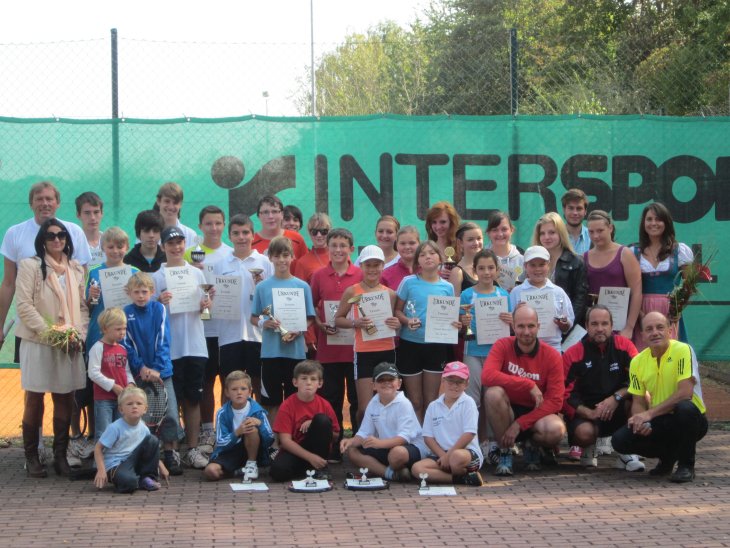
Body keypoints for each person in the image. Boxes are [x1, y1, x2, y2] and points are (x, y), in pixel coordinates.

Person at [15, 219, 89, 477]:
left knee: (65, 397)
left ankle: (60, 457)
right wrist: (52, 333)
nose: (57, 239)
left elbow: (82, 307)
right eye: (51, 236)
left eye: (61, 235)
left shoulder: (76, 268)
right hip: (38, 341)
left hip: (69, 344)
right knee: (34, 397)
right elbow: (24, 306)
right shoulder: (30, 266)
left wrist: (79, 334)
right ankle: (32, 457)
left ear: (67, 239)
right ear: (42, 240)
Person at [611, 311, 708, 483]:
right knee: (620, 440)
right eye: (649, 329)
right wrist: (640, 421)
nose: (655, 332)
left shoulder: (683, 350)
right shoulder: (637, 362)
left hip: (691, 418)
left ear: (670, 331)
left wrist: (648, 414)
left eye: (660, 327)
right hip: (660, 418)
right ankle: (668, 458)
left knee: (685, 408)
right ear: (643, 336)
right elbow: (638, 401)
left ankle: (686, 466)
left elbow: (685, 393)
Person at [0, 181, 91, 353]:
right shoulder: (14, 233)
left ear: (58, 203)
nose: (45, 203)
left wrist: (82, 330)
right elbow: (8, 283)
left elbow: (82, 281)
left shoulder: (74, 232)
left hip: (69, 331)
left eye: (49, 199)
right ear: (31, 203)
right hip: (30, 330)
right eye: (39, 199)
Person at [152, 226, 211, 470]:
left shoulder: (196, 273)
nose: (176, 247)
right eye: (170, 243)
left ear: (185, 245)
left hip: (195, 346)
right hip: (169, 349)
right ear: (162, 246)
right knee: (171, 402)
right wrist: (159, 302)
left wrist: (206, 306)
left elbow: (206, 314)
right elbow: (149, 314)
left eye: (179, 243)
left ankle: (192, 449)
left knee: (193, 399)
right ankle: (172, 451)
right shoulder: (156, 277)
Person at [482, 306, 566, 476]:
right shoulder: (502, 345)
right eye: (521, 326)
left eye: (531, 326)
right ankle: (505, 451)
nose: (526, 332)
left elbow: (556, 401)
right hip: (508, 411)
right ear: (513, 327)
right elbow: (487, 376)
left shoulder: (552, 355)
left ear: (538, 326)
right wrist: (527, 384)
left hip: (537, 413)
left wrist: (520, 424)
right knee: (493, 394)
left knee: (556, 430)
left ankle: (532, 445)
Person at [562, 305, 644, 471]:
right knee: (584, 433)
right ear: (587, 326)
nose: (600, 328)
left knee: (643, 397)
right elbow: (564, 394)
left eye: (604, 323)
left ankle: (627, 451)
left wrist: (616, 397)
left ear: (612, 326)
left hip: (618, 409)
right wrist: (588, 412)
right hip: (588, 413)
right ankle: (588, 447)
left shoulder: (625, 346)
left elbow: (639, 380)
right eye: (594, 324)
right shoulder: (573, 353)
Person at [211, 214, 273, 427]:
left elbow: (272, 298)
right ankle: (227, 430)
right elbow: (213, 298)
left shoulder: (265, 262)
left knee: (258, 384)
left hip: (258, 335)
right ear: (229, 236)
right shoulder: (220, 264)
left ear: (253, 235)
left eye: (245, 232)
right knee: (229, 385)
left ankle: (262, 429)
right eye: (236, 233)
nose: (241, 237)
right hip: (229, 335)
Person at [122, 272, 183, 476]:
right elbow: (127, 345)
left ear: (152, 292)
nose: (141, 296)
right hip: (140, 375)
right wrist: (141, 367)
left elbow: (163, 339)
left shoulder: (159, 309)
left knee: (170, 415)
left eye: (144, 292)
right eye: (136, 292)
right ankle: (149, 458)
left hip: (162, 373)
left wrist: (157, 368)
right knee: (145, 417)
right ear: (129, 293)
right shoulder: (126, 313)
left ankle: (171, 453)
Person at [182, 206, 232, 452]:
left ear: (224, 225)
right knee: (206, 382)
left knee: (228, 381)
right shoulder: (189, 254)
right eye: (209, 223)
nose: (214, 228)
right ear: (200, 226)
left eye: (218, 223)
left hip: (227, 330)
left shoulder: (231, 254)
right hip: (201, 331)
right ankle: (207, 431)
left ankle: (226, 428)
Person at [310, 228, 362, 461]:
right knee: (331, 399)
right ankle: (332, 446)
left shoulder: (360, 274)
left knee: (357, 400)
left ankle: (357, 447)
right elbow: (311, 307)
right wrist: (319, 324)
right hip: (328, 350)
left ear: (351, 249)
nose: (338, 250)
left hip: (355, 349)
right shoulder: (319, 275)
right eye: (334, 246)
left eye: (343, 245)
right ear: (328, 248)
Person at [251, 236, 315, 425]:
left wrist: (299, 329)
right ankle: (275, 439)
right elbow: (253, 317)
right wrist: (264, 323)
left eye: (285, 255)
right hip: (270, 353)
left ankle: (293, 437)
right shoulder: (262, 287)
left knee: (295, 399)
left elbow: (310, 317)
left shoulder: (302, 286)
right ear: (270, 257)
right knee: (272, 401)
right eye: (277, 256)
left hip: (295, 353)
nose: (281, 260)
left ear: (292, 257)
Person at [395, 241, 462, 420]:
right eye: (423, 254)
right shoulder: (408, 282)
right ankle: (416, 435)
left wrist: (455, 325)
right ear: (418, 260)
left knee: (431, 400)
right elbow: (397, 311)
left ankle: (428, 435)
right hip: (410, 346)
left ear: (440, 258)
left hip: (436, 347)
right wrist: (407, 321)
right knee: (415, 401)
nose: (428, 257)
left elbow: (451, 317)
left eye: (432, 253)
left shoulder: (447, 287)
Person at [334, 245, 398, 425]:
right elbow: (338, 319)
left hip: (387, 350)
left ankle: (384, 438)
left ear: (383, 266)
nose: (372, 269)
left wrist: (397, 324)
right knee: (365, 407)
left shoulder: (390, 294)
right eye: (368, 265)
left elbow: (395, 321)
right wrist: (355, 323)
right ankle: (361, 437)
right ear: (361, 266)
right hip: (363, 353)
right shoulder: (352, 291)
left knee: (388, 402)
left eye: (376, 265)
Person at [459, 249, 512, 453]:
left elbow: (511, 329)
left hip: (496, 354)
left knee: (492, 398)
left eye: (491, 268)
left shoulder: (503, 295)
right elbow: (460, 328)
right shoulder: (467, 294)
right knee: (472, 399)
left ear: (497, 270)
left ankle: (494, 442)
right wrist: (463, 323)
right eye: (481, 268)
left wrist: (511, 320)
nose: (486, 272)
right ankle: (475, 443)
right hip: (472, 351)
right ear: (475, 270)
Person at [340, 362, 426, 482]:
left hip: (410, 448)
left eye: (390, 379)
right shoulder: (373, 403)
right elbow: (364, 432)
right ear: (373, 385)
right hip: (386, 447)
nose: (386, 383)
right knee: (352, 451)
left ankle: (395, 468)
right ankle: (390, 473)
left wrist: (379, 443)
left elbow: (404, 438)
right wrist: (351, 441)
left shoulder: (404, 403)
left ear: (399, 383)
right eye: (381, 380)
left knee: (397, 454)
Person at [631, 202, 693, 350]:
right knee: (644, 354)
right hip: (641, 310)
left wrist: (678, 309)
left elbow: (689, 285)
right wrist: (640, 315)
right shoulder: (633, 252)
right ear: (643, 223)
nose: (653, 223)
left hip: (669, 312)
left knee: (672, 354)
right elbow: (630, 288)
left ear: (666, 222)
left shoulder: (680, 250)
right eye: (649, 219)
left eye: (658, 219)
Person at [412, 361, 484, 486]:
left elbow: (469, 433)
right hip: (441, 454)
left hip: (465, 452)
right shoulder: (433, 406)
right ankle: (461, 478)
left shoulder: (468, 402)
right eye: (450, 381)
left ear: (466, 384)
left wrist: (449, 456)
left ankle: (457, 472)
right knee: (417, 469)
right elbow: (428, 437)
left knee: (456, 457)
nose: (454, 386)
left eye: (459, 382)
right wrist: (443, 456)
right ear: (443, 381)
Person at [269, 360, 339, 482]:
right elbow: (285, 441)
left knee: (322, 420)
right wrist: (310, 457)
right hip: (295, 450)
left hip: (318, 450)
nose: (308, 383)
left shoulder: (325, 405)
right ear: (295, 382)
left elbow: (336, 436)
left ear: (320, 383)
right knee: (277, 472)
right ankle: (308, 467)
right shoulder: (287, 405)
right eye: (304, 378)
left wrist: (314, 424)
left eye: (313, 379)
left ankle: (320, 468)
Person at [93, 386, 169, 493]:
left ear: (145, 409)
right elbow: (98, 448)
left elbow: (151, 450)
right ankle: (132, 481)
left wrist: (161, 466)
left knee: (152, 440)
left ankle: (147, 478)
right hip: (116, 465)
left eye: (139, 403)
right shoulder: (115, 428)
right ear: (121, 409)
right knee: (129, 483)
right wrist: (101, 470)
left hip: (133, 461)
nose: (134, 406)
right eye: (129, 404)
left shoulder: (143, 428)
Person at [203, 371, 274, 481]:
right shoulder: (222, 413)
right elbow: (220, 442)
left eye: (243, 389)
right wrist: (237, 433)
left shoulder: (258, 411)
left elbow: (270, 438)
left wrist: (260, 424)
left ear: (250, 391)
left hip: (254, 451)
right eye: (234, 389)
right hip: (230, 452)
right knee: (210, 472)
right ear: (227, 392)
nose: (239, 392)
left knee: (251, 428)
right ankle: (237, 472)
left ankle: (251, 465)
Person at [584, 210, 642, 339]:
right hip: (595, 330)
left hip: (620, 329)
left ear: (610, 228)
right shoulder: (584, 257)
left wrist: (629, 327)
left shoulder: (625, 254)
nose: (595, 236)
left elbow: (637, 292)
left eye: (600, 231)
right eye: (591, 232)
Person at [509, 246, 574, 353]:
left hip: (552, 347)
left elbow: (568, 325)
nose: (537, 269)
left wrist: (563, 323)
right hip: (524, 348)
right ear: (525, 266)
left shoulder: (558, 292)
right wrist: (515, 314)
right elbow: (510, 327)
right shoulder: (516, 292)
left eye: (542, 264)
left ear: (548, 265)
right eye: (532, 265)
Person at [531, 212, 588, 327]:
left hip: (566, 328)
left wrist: (567, 325)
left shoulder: (576, 262)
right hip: (536, 327)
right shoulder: (530, 261)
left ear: (561, 233)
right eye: (542, 233)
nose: (547, 237)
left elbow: (580, 300)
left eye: (552, 232)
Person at [87, 307, 134, 441]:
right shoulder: (98, 347)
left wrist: (130, 384)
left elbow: (126, 370)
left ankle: (118, 455)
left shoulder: (122, 349)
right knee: (104, 433)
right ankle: (100, 456)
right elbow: (93, 373)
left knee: (121, 432)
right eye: (118, 329)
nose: (122, 332)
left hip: (121, 399)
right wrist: (113, 386)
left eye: (124, 328)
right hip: (104, 399)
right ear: (105, 329)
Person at [252, 195, 308, 263]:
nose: (270, 216)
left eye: (274, 211)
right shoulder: (251, 242)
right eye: (265, 212)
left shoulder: (297, 239)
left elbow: (306, 266)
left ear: (282, 214)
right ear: (259, 216)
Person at [485, 211, 523, 292]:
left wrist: (517, 291)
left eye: (504, 229)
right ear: (488, 233)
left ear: (512, 230)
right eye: (495, 230)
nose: (500, 234)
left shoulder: (522, 261)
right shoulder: (481, 259)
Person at [293, 213, 332, 284]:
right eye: (314, 232)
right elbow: (299, 289)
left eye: (324, 231)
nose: (319, 235)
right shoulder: (302, 263)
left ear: (330, 232)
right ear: (309, 233)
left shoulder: (340, 256)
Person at [425, 201, 460, 278]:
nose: (438, 227)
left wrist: (457, 274)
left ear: (452, 222)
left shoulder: (461, 247)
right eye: (434, 222)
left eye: (443, 222)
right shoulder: (426, 249)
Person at [449, 222, 483, 297]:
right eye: (470, 240)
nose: (476, 243)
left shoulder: (488, 267)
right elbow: (454, 302)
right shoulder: (457, 272)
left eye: (479, 238)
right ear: (460, 243)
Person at [381, 225, 420, 290]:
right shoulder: (385, 275)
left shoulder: (430, 270)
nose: (407, 247)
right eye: (402, 243)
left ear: (419, 244)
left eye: (412, 243)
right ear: (396, 245)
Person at [75, 191, 105, 268]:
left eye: (96, 212)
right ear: (78, 215)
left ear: (102, 213)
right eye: (87, 213)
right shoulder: (73, 244)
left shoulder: (111, 242)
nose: (92, 218)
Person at [562, 188, 591, 255]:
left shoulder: (592, 237)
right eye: (571, 208)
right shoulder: (556, 236)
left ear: (585, 211)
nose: (575, 213)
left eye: (579, 208)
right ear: (564, 210)